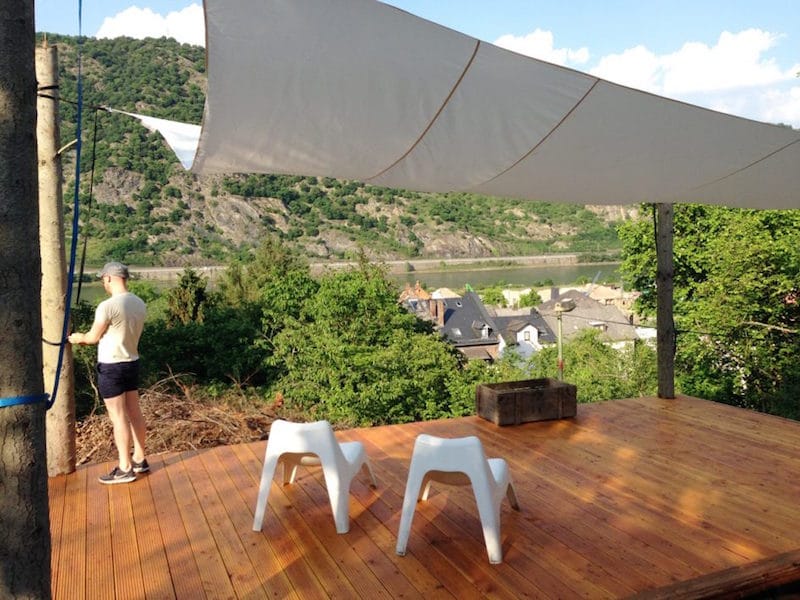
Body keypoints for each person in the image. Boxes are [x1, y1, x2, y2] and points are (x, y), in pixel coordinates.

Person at [68, 261, 148, 484]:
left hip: (112, 366)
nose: (104, 283)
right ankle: (139, 459)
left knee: (118, 417)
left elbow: (92, 337)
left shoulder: (108, 306)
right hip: (132, 361)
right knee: (134, 412)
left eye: (103, 279)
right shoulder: (139, 303)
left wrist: (78, 338)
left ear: (109, 278)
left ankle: (125, 468)